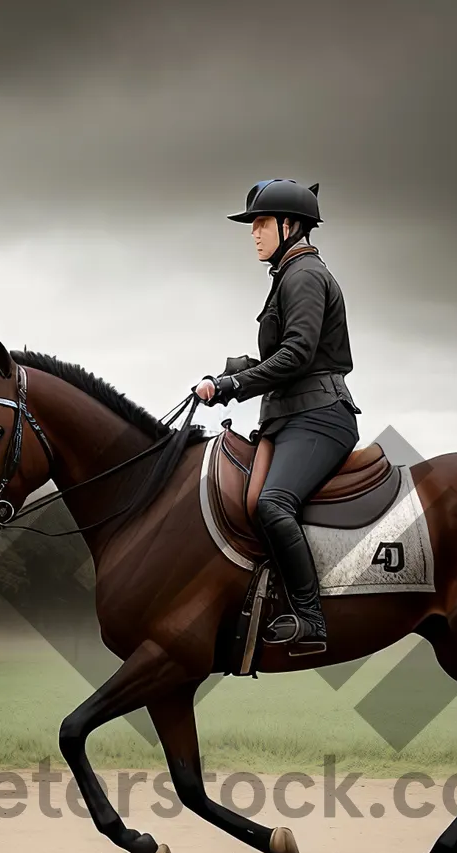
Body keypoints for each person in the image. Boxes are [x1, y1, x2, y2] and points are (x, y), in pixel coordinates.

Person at [193, 179, 361, 653]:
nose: (254, 233)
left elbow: (298, 355)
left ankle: (310, 618)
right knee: (247, 500)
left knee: (272, 503)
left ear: (291, 226)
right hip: (288, 417)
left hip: (320, 415)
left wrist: (232, 386)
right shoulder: (287, 277)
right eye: (254, 225)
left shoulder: (304, 275)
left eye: (262, 223)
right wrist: (225, 378)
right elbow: (281, 358)